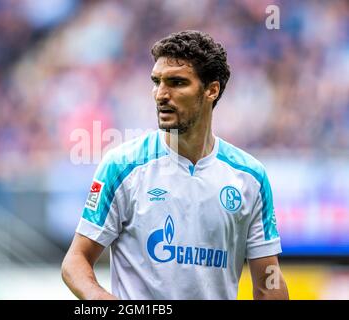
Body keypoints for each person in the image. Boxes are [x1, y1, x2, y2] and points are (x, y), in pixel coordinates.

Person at [61, 30, 289, 300]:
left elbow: (268, 283)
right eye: (156, 82)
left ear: (211, 90)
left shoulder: (250, 177)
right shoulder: (122, 166)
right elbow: (75, 262)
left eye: (177, 82)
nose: (161, 94)